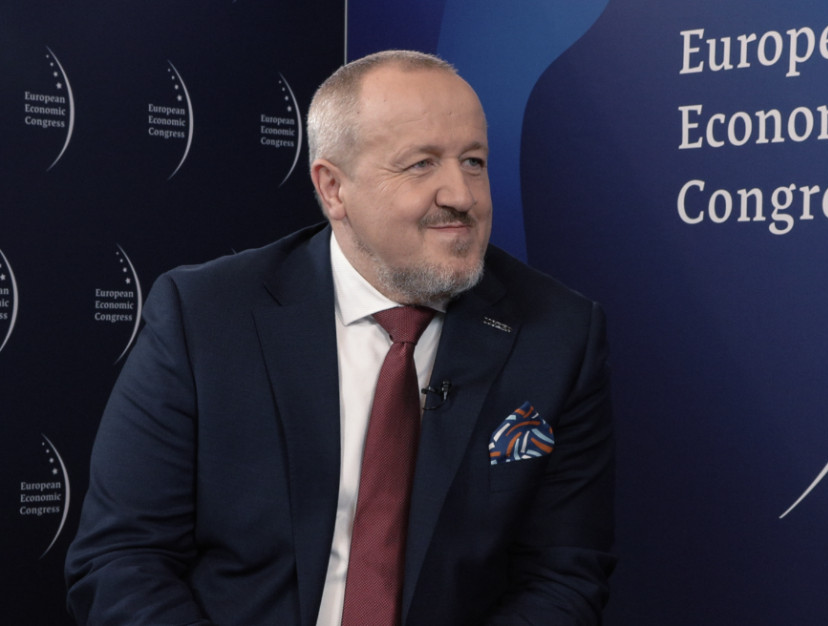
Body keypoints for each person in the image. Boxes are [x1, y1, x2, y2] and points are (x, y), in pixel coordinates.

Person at [65, 49, 615, 625]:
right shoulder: (205, 316)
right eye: (421, 164)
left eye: (473, 161)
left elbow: (563, 578)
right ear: (333, 189)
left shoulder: (558, 335)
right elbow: (122, 558)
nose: (462, 195)